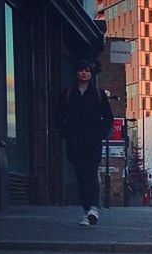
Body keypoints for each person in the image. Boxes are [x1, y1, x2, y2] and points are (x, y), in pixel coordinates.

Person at [56, 60, 113, 226]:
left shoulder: (98, 94)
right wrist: (65, 133)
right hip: (75, 142)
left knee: (91, 173)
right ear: (76, 73)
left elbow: (108, 117)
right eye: (81, 70)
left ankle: (93, 208)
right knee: (81, 177)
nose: (84, 73)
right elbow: (59, 116)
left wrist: (100, 133)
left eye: (87, 70)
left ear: (91, 73)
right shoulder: (67, 93)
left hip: (92, 141)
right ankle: (87, 210)